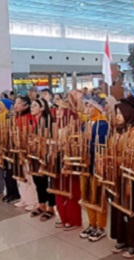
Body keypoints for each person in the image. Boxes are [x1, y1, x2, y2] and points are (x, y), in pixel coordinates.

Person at [109, 96, 134, 256]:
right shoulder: (118, 130)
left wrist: (116, 159)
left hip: (129, 175)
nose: (117, 116)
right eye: (116, 112)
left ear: (129, 113)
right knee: (118, 206)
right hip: (118, 174)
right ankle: (121, 238)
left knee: (131, 207)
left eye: (120, 112)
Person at [79, 97, 110, 242]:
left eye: (91, 107)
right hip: (85, 164)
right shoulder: (85, 123)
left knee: (98, 195)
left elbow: (100, 144)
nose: (88, 109)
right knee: (87, 194)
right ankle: (91, 223)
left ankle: (101, 226)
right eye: (87, 107)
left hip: (97, 163)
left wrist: (88, 142)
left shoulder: (103, 124)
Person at [52, 91, 83, 230]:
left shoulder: (73, 123)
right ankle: (62, 215)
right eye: (57, 108)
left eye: (61, 108)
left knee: (71, 189)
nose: (57, 111)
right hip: (57, 158)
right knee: (58, 188)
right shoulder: (56, 124)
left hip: (69, 159)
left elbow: (75, 143)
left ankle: (72, 218)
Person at [28, 98, 56, 221]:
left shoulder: (47, 121)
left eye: (35, 106)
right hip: (35, 154)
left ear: (42, 108)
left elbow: (51, 140)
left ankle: (51, 208)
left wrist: (39, 141)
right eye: (31, 105)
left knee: (46, 182)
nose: (31, 107)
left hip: (45, 155)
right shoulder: (34, 121)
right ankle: (41, 205)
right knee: (38, 181)